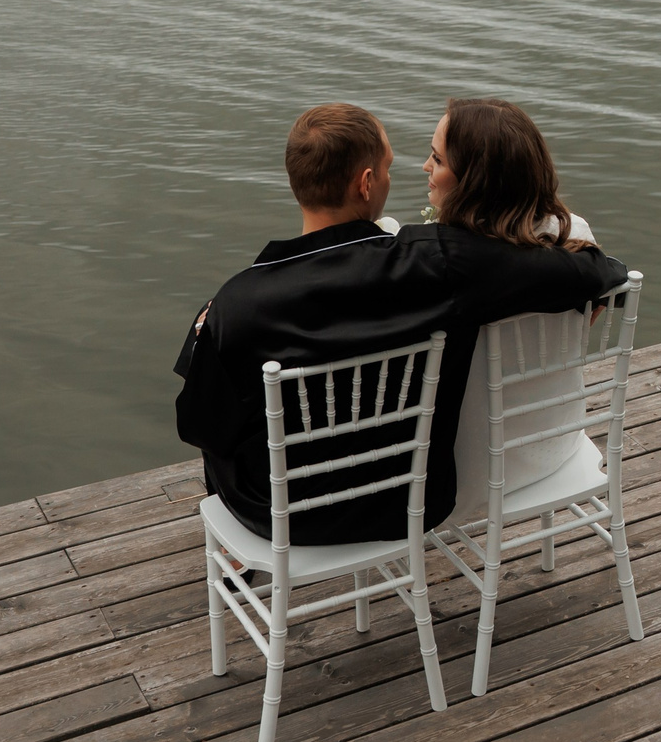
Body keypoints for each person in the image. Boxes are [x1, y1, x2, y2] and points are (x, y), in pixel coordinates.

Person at [174, 99, 628, 544]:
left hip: (276, 516)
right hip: (402, 501)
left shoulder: (235, 302)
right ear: (367, 184)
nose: (415, 169)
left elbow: (196, 426)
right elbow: (579, 270)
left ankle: (239, 560)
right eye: (390, 165)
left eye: (434, 156)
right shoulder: (431, 264)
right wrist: (604, 271)